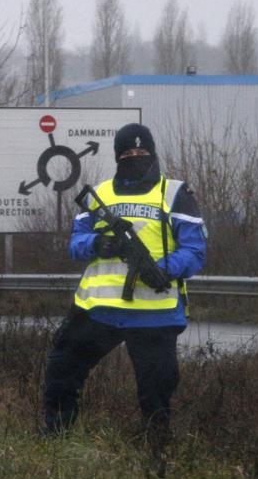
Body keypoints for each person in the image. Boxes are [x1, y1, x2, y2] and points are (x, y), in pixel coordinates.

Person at [42, 123, 207, 451]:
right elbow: (75, 245)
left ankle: (155, 452)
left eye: (141, 152)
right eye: (127, 153)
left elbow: (195, 251)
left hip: (153, 314)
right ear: (117, 157)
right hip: (98, 311)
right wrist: (99, 243)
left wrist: (162, 270)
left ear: (153, 153)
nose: (134, 157)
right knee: (62, 371)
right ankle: (56, 442)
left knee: (156, 391)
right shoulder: (101, 194)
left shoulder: (175, 194)